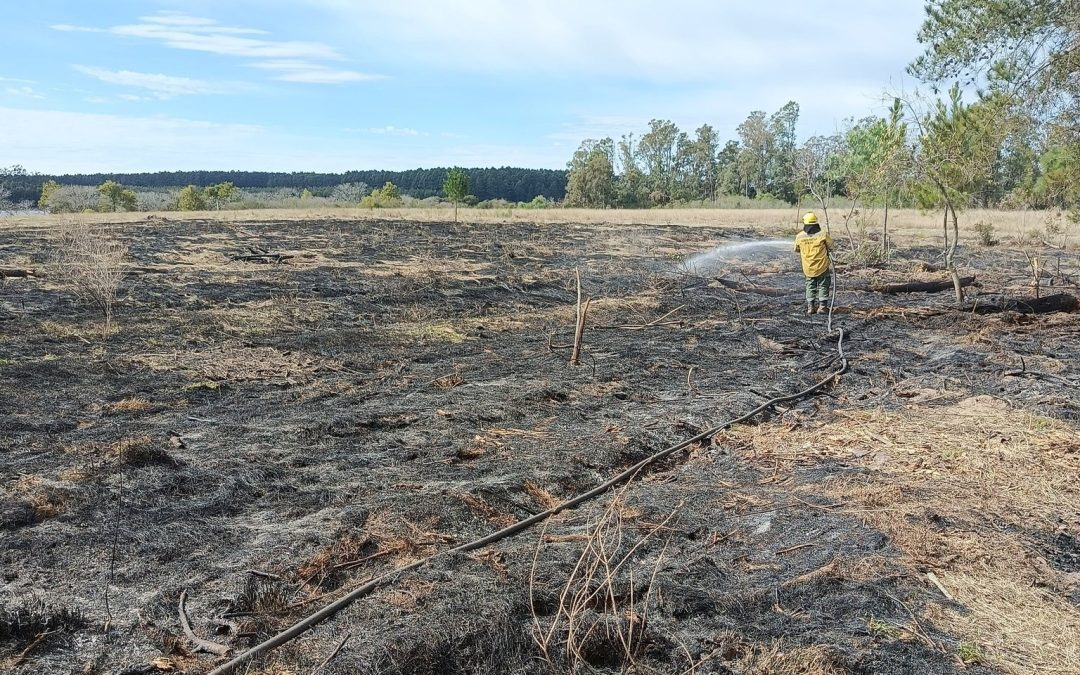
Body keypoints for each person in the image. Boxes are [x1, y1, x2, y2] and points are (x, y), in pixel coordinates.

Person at [794, 212, 834, 315]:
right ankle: (822, 307)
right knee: (823, 285)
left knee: (810, 285)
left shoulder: (799, 236)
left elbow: (796, 249)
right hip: (822, 266)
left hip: (808, 267)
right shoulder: (823, 234)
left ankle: (810, 307)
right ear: (816, 222)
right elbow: (831, 247)